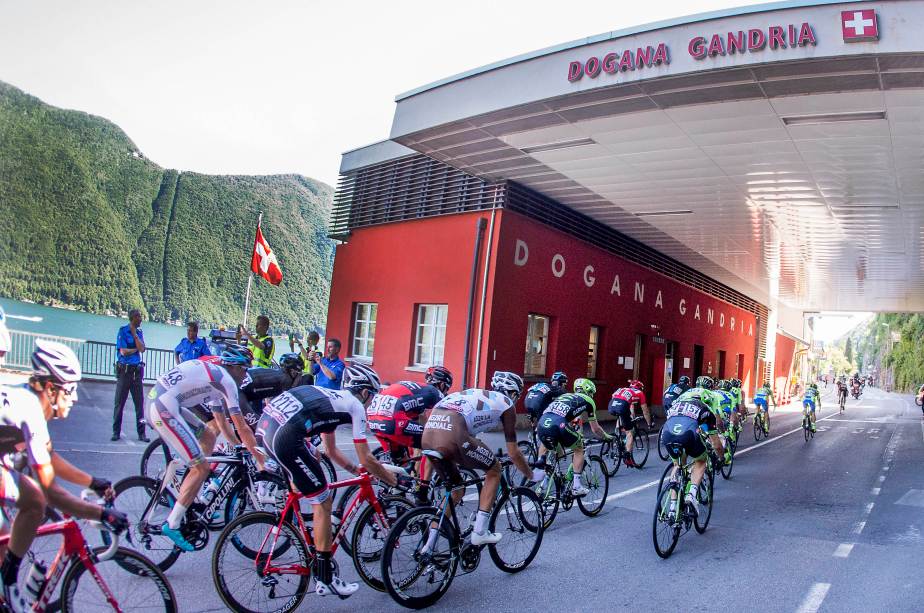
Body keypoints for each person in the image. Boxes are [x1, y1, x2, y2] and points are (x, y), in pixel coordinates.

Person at [255, 363, 403, 598]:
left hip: (266, 428)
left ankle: (303, 535)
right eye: (372, 396)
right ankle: (326, 577)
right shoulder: (354, 406)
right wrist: (391, 481)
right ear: (365, 392)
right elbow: (366, 456)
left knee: (308, 478)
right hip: (284, 436)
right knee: (323, 501)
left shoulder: (331, 399)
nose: (370, 402)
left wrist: (355, 471)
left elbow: (330, 450)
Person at [1, 341, 127, 612]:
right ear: (50, 389)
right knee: (35, 499)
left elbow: (49, 459)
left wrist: (93, 482)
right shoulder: (30, 412)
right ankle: (9, 583)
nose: (76, 397)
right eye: (70, 390)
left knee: (7, 536)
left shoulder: (29, 402)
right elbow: (52, 492)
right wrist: (102, 514)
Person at [146, 345, 265, 552]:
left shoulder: (217, 374)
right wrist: (262, 461)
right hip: (163, 408)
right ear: (235, 367)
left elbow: (220, 423)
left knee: (208, 435)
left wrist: (238, 447)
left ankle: (192, 495)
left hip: (165, 402)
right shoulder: (226, 380)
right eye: (245, 369)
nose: (246, 374)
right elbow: (242, 426)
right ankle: (172, 524)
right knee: (201, 468)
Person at [421, 371, 532, 546]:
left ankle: (429, 545)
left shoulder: (477, 394)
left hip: (429, 435)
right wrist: (531, 475)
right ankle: (480, 531)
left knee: (457, 490)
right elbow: (514, 452)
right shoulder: (506, 404)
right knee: (494, 470)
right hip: (453, 435)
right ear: (512, 393)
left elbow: (471, 432)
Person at [366, 365, 452, 503]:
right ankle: (422, 493)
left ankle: (399, 498)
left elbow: (420, 418)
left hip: (373, 420)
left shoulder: (416, 388)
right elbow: (443, 421)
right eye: (447, 388)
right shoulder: (434, 393)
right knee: (432, 443)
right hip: (393, 421)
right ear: (442, 384)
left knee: (401, 465)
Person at [534, 378, 611, 496]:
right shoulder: (588, 400)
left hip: (542, 424)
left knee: (555, 452)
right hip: (558, 424)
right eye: (592, 393)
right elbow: (595, 429)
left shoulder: (566, 396)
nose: (592, 395)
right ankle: (576, 486)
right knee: (579, 447)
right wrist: (606, 436)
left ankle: (543, 482)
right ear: (588, 391)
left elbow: (568, 416)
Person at [659, 387, 726, 517]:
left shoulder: (676, 404)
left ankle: (673, 508)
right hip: (688, 435)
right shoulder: (705, 409)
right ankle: (692, 495)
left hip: (667, 434)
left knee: (678, 465)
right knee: (701, 460)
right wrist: (721, 458)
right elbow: (716, 444)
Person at [237, 353, 313, 429]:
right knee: (260, 430)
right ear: (293, 372)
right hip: (239, 393)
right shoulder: (284, 380)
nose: (300, 377)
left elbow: (269, 400)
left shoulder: (278, 374)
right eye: (299, 374)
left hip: (241, 390)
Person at [112, 308, 147, 442]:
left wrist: (135, 336)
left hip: (136, 373)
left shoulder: (139, 332)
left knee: (139, 404)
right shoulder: (122, 331)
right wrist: (135, 348)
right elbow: (123, 352)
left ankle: (141, 434)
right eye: (139, 317)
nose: (141, 319)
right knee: (119, 403)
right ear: (133, 318)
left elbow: (142, 349)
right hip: (124, 372)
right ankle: (116, 432)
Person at [607, 380, 649, 468]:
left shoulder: (624, 390)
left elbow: (631, 408)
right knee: (630, 432)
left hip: (612, 404)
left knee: (621, 415)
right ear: (640, 388)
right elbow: (645, 410)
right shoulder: (640, 393)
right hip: (622, 406)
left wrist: (631, 417)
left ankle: (616, 438)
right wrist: (649, 423)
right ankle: (627, 457)